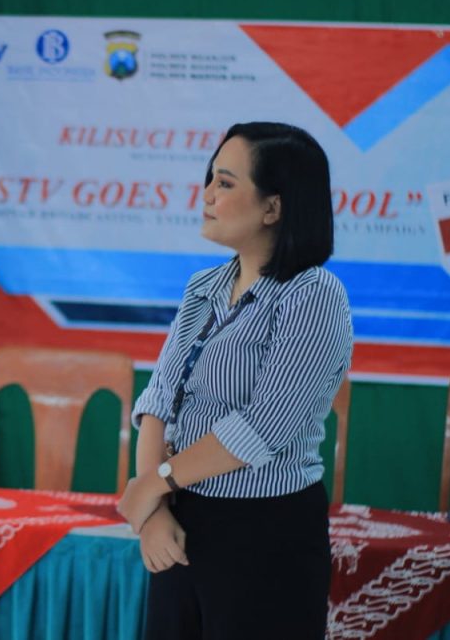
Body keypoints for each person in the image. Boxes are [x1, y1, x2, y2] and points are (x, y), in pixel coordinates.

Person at [117, 122, 352, 639]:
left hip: (265, 531)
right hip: (182, 518)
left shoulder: (313, 295)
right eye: (210, 180)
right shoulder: (204, 286)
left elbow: (262, 428)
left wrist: (151, 484)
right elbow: (158, 402)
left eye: (225, 183)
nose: (206, 196)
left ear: (273, 208)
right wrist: (154, 512)